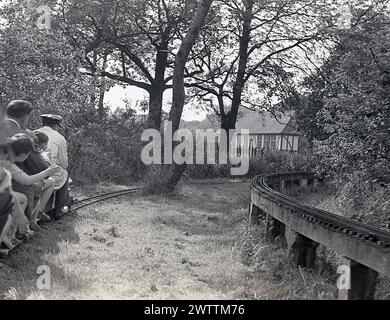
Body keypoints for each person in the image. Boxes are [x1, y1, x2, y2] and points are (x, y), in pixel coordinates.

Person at [4, 100, 50, 223]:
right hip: (12, 180)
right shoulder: (24, 135)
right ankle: (25, 225)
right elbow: (38, 165)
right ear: (25, 117)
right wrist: (47, 165)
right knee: (36, 186)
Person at [6, 134, 60, 231]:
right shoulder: (9, 162)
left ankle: (17, 230)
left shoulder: (9, 157)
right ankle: (21, 228)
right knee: (29, 192)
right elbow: (27, 180)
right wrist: (47, 170)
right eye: (28, 154)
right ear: (23, 154)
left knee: (26, 195)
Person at [37, 114, 70, 219]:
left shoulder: (33, 132)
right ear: (55, 126)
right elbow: (63, 163)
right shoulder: (60, 138)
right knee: (64, 173)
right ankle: (59, 209)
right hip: (47, 170)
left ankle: (46, 205)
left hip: (33, 170)